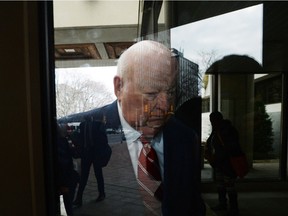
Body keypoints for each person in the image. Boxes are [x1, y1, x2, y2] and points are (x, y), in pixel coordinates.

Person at [59, 40, 206, 215]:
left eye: (171, 92)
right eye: (151, 93)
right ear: (119, 87)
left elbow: (192, 203)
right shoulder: (73, 129)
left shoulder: (185, 137)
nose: (165, 105)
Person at [205, 111, 242, 216]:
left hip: (227, 164)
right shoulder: (218, 130)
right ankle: (223, 204)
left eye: (212, 120)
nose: (211, 123)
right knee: (221, 185)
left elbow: (229, 148)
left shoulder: (227, 130)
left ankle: (233, 208)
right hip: (220, 163)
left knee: (229, 186)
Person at [73, 117, 111, 207]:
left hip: (96, 153)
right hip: (86, 153)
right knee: (83, 176)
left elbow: (104, 139)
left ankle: (102, 194)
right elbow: (81, 139)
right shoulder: (82, 125)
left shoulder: (98, 125)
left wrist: (101, 151)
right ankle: (79, 198)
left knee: (98, 174)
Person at [57, 123, 79, 216]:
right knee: (67, 200)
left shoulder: (63, 140)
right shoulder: (62, 141)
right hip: (64, 177)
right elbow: (72, 156)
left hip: (64, 176)